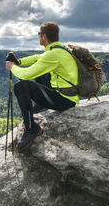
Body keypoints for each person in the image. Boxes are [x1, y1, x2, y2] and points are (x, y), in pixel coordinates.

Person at [5, 22, 79, 150]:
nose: (38, 36)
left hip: (64, 101)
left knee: (21, 86)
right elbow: (37, 58)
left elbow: (26, 75)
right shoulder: (60, 50)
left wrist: (12, 67)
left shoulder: (53, 54)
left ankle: (31, 128)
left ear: (44, 36)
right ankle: (42, 105)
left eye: (39, 34)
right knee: (42, 69)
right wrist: (19, 62)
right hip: (69, 96)